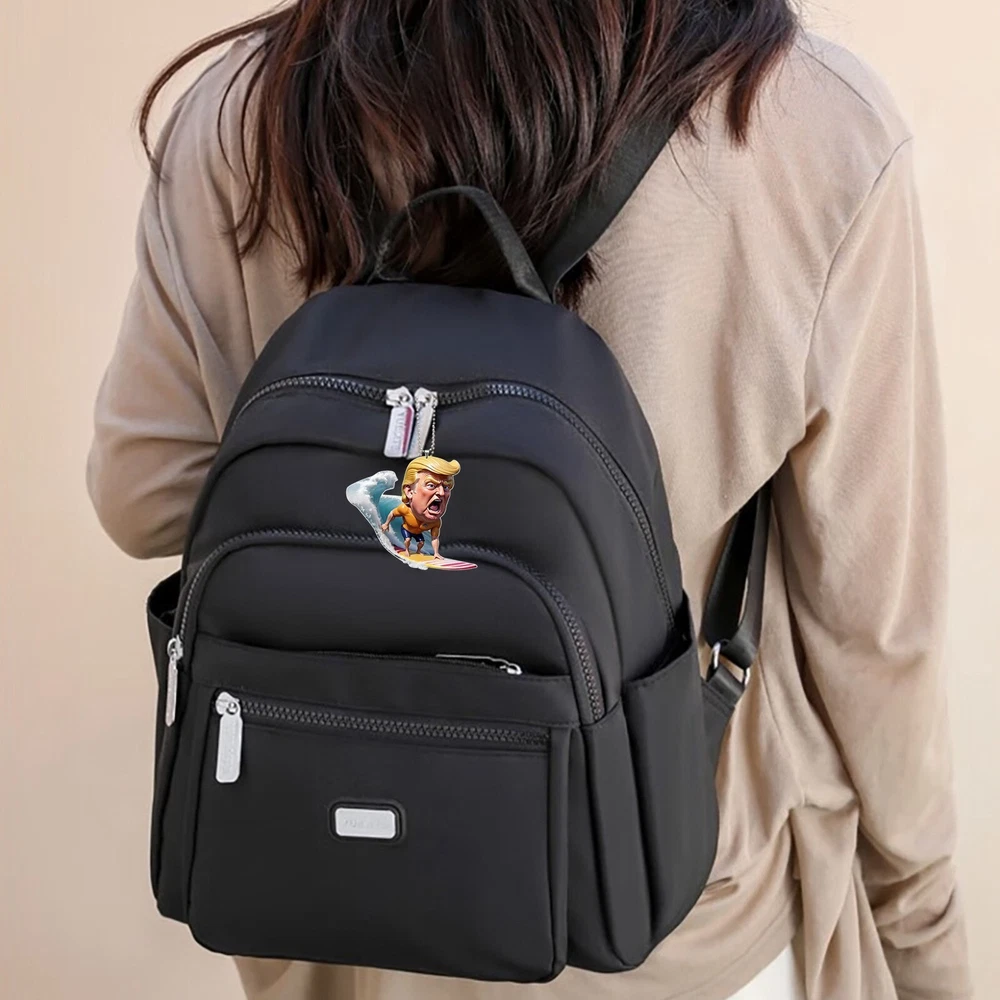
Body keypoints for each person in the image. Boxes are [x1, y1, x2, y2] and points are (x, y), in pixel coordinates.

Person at [86, 3, 972, 998]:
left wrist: (381, 512)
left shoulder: (244, 110)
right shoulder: (807, 124)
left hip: (340, 912)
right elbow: (874, 634)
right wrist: (926, 941)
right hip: (662, 917)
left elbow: (140, 495)